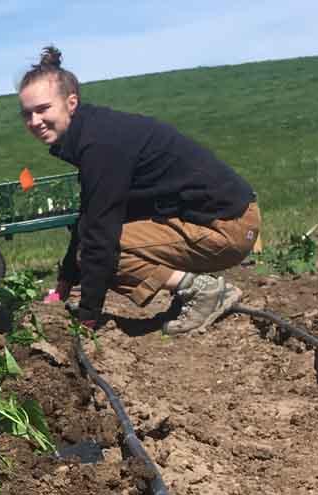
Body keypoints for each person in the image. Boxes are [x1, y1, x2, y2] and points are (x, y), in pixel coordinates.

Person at [19, 46, 261, 335]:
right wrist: (64, 285)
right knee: (94, 245)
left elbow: (99, 235)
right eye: (27, 114)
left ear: (71, 103)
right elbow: (88, 215)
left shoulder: (100, 146)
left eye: (43, 109)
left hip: (227, 228)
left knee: (99, 251)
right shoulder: (94, 133)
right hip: (217, 219)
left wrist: (86, 319)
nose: (34, 122)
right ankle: (191, 290)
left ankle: (204, 292)